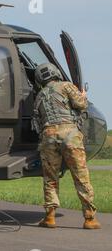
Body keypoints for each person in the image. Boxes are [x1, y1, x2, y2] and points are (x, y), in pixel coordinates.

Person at [32, 63, 101, 229]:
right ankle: (89, 218)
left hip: (48, 137)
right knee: (80, 175)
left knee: (50, 178)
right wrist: (83, 95)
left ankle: (49, 217)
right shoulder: (66, 86)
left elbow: (36, 122)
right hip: (70, 134)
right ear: (55, 73)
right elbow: (82, 105)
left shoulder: (39, 95)